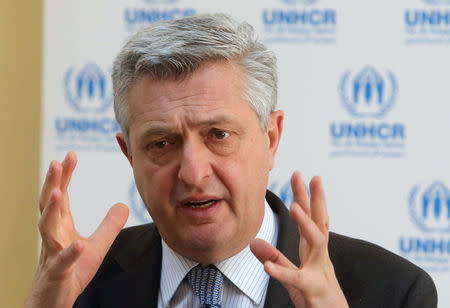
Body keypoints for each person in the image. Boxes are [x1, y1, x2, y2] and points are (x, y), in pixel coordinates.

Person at [26, 14, 437, 308]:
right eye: (162, 144)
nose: (192, 172)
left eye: (218, 135)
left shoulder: (393, 291)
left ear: (271, 138)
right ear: (129, 155)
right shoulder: (81, 287)